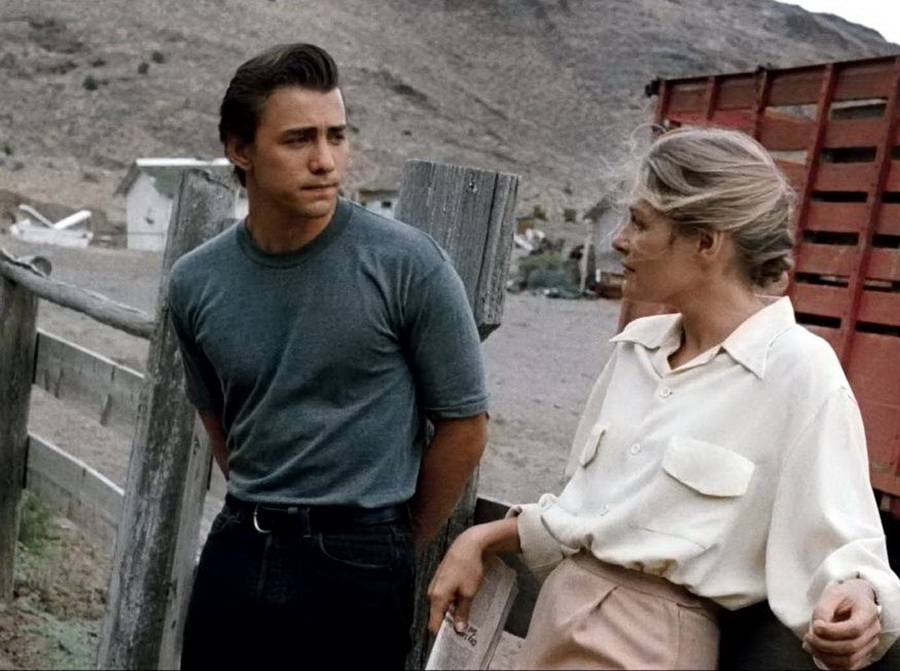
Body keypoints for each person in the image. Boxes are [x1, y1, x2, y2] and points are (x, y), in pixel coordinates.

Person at [428, 126, 900, 670]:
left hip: (650, 648)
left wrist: (861, 597)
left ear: (707, 242)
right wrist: (482, 538)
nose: (619, 240)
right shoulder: (635, 351)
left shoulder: (799, 370)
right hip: (555, 625)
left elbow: (848, 540)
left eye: (641, 222)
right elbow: (593, 513)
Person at [167, 43, 488, 668]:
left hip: (359, 561)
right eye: (298, 140)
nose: (325, 161)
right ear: (240, 150)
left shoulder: (407, 264)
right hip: (238, 546)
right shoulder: (196, 281)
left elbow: (465, 425)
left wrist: (392, 542)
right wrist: (267, 502)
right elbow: (217, 418)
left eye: (336, 136)